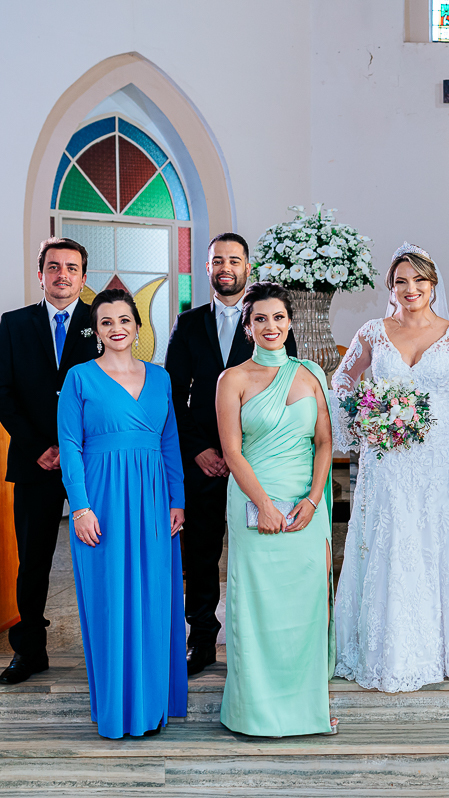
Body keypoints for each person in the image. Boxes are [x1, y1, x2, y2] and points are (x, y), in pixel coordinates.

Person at [332, 243, 449, 692]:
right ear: (391, 286)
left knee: (438, 542)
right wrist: (366, 416)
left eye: (419, 281)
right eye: (401, 281)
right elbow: (343, 379)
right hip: (388, 457)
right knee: (391, 542)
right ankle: (389, 650)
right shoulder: (372, 332)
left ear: (433, 284)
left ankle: (446, 648)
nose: (410, 289)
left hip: (439, 457)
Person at [165, 233, 298, 676]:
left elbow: (286, 391)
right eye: (217, 259)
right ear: (207, 268)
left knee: (256, 551)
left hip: (255, 461)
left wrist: (249, 452)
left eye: (234, 260)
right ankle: (201, 639)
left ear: (247, 267)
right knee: (200, 555)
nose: (226, 266)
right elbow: (171, 396)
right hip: (203, 460)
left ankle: (254, 640)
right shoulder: (188, 325)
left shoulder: (270, 321)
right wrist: (200, 450)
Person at [57, 288, 187, 738]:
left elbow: (170, 441)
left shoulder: (162, 377)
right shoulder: (78, 378)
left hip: (154, 500)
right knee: (110, 598)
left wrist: (177, 499)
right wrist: (80, 507)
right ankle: (116, 707)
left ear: (137, 327)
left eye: (124, 320)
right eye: (107, 321)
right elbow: (70, 446)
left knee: (154, 598)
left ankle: (151, 704)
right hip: (103, 501)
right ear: (97, 330)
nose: (117, 328)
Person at [215, 281, 335, 737]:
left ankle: (308, 709)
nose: (271, 326)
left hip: (306, 507)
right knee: (259, 607)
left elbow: (324, 443)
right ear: (247, 327)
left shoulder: (311, 374)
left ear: (290, 323)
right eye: (260, 318)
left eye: (279, 318)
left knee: (305, 609)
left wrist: (312, 500)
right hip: (253, 503)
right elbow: (232, 452)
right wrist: (263, 505)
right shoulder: (233, 380)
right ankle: (255, 711)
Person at [0, 237, 100, 684]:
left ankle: (105, 647)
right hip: (34, 462)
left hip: (91, 463)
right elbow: (3, 392)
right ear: (41, 274)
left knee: (98, 552)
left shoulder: (101, 323)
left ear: (84, 277)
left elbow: (107, 391)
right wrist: (40, 446)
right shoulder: (14, 324)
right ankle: (30, 650)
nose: (62, 275)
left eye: (72, 268)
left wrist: (70, 448)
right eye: (54, 267)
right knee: (33, 560)